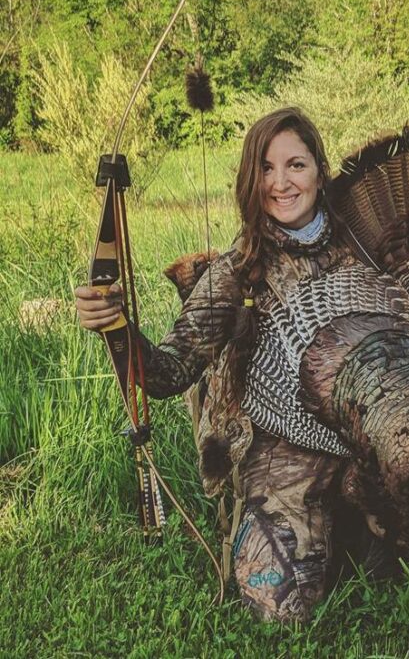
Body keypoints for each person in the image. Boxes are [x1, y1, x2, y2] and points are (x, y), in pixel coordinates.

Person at [75, 107, 375, 623]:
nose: (280, 182)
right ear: (249, 179)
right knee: (281, 610)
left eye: (296, 165)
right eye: (265, 168)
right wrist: (117, 326)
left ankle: (355, 529)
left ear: (320, 173)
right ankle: (287, 526)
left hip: (367, 435)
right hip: (282, 448)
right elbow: (167, 374)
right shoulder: (238, 270)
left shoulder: (366, 249)